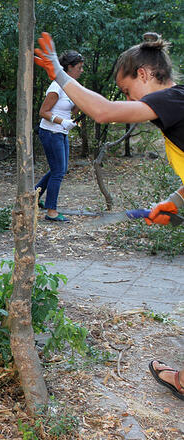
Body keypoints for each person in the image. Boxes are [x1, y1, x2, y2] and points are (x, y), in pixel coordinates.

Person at [35, 31, 184, 400]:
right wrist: (175, 203)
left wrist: (58, 73)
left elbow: (102, 112)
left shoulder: (174, 98)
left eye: (127, 88)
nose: (127, 98)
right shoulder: (175, 111)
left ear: (145, 74)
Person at [35, 50, 85, 222]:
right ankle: (51, 211)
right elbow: (43, 112)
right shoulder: (56, 86)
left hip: (61, 133)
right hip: (50, 132)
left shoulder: (69, 86)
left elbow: (71, 110)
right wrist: (61, 121)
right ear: (69, 67)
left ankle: (34, 196)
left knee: (59, 169)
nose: (81, 70)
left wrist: (81, 102)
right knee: (58, 171)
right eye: (79, 67)